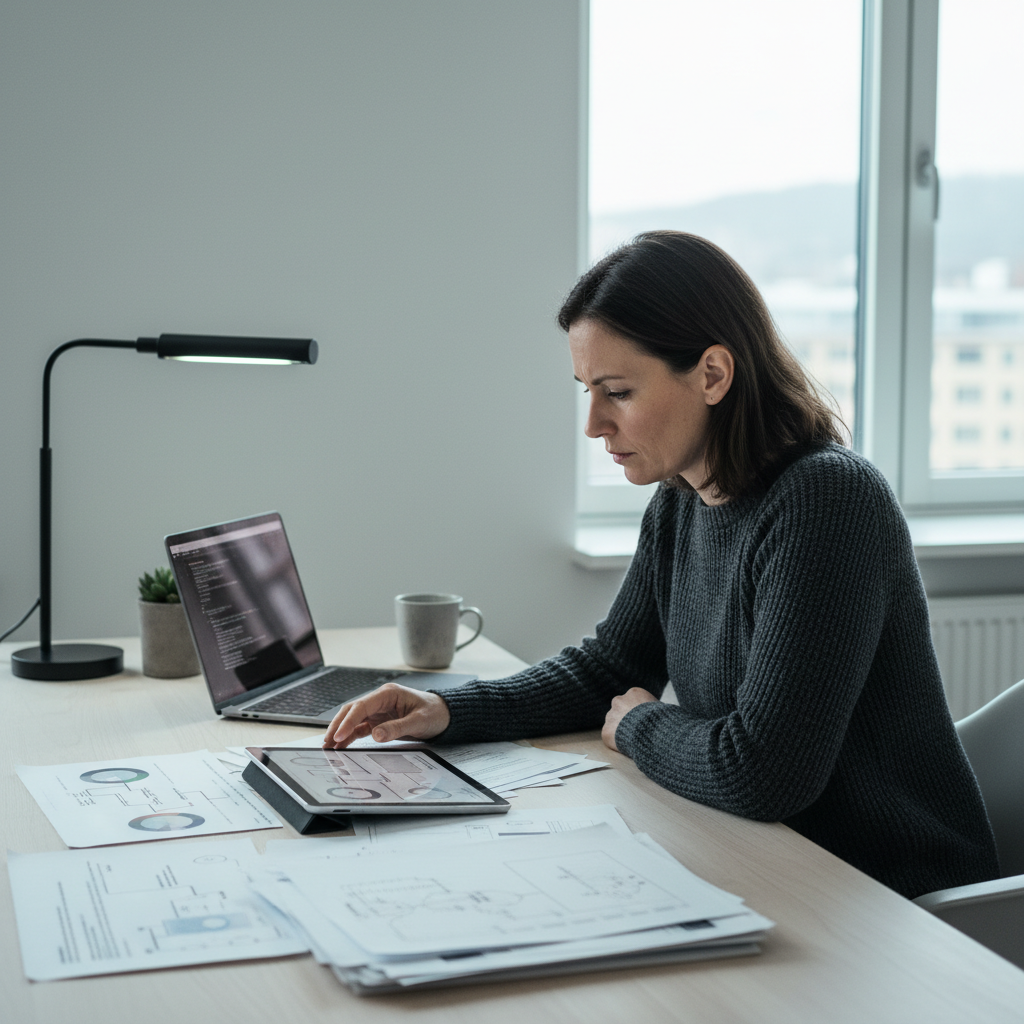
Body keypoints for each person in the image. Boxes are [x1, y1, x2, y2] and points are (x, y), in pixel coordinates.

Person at [325, 231, 999, 900]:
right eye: (586, 389)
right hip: (772, 862)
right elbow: (609, 671)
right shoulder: (681, 499)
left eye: (616, 391)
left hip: (892, 898)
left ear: (712, 374)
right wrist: (445, 709)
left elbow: (764, 774)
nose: (592, 423)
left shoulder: (827, 501)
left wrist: (643, 726)